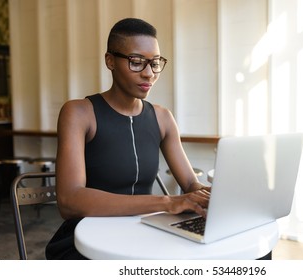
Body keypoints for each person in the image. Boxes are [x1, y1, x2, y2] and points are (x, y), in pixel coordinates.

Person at [45, 18, 210, 259]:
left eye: (154, 63)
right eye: (136, 62)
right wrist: (166, 202)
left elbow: (189, 183)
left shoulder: (163, 118)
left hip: (144, 232)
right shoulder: (79, 113)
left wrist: (212, 195)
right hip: (87, 239)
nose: (148, 73)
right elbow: (70, 200)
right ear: (110, 61)